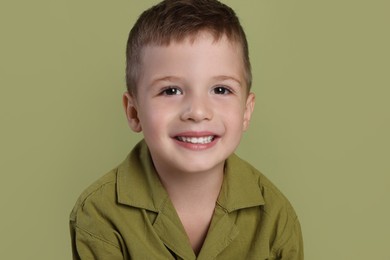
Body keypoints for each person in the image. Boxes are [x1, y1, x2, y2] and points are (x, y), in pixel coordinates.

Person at [69, 0, 304, 259]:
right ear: (134, 112)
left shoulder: (275, 218)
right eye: (171, 90)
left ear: (246, 111)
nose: (198, 112)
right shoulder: (99, 213)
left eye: (221, 90)